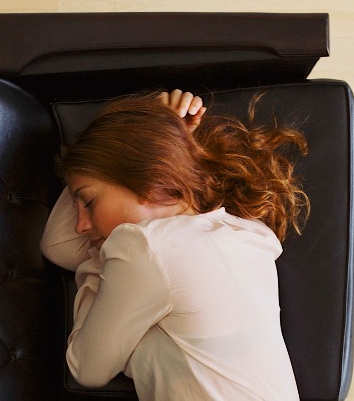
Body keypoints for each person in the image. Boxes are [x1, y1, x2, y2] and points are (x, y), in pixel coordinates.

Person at [40, 89, 308, 400]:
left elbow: (86, 368)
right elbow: (59, 245)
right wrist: (156, 140)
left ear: (149, 175)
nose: (80, 225)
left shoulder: (146, 246)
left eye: (87, 201)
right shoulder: (247, 231)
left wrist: (101, 266)